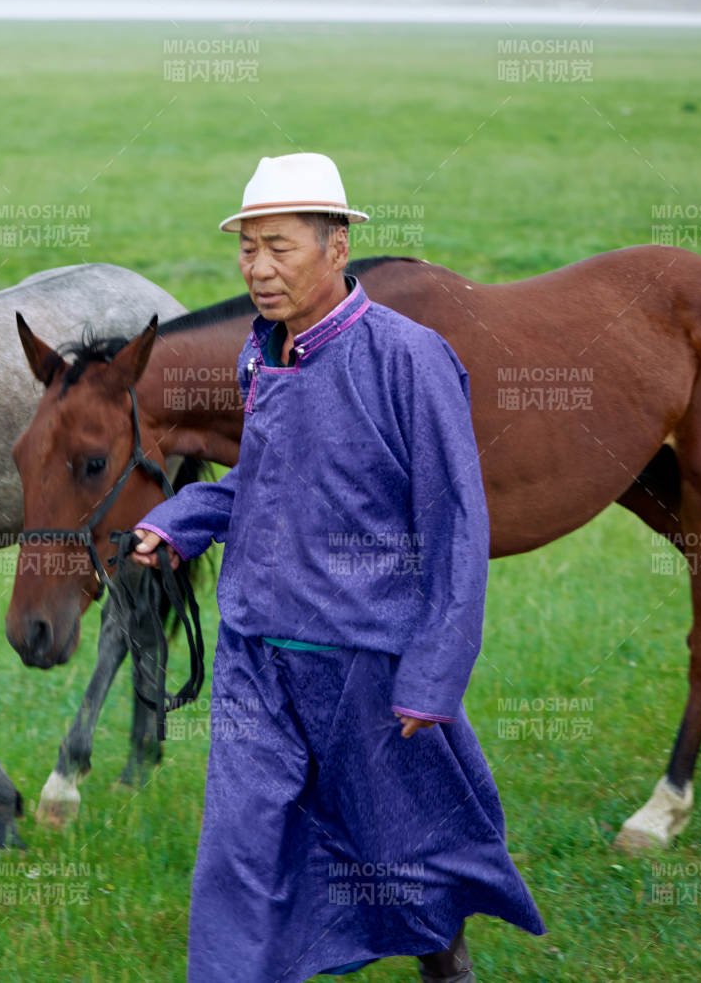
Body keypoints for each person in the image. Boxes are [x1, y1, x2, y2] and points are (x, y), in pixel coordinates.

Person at [130, 153, 545, 982]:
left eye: (279, 247)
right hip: (257, 655)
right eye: (247, 248)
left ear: (337, 245)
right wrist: (182, 521)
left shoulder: (409, 359)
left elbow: (456, 524)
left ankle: (446, 964)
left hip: (363, 659)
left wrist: (433, 673)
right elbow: (266, 482)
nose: (258, 268)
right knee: (239, 849)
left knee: (403, 840)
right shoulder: (262, 354)